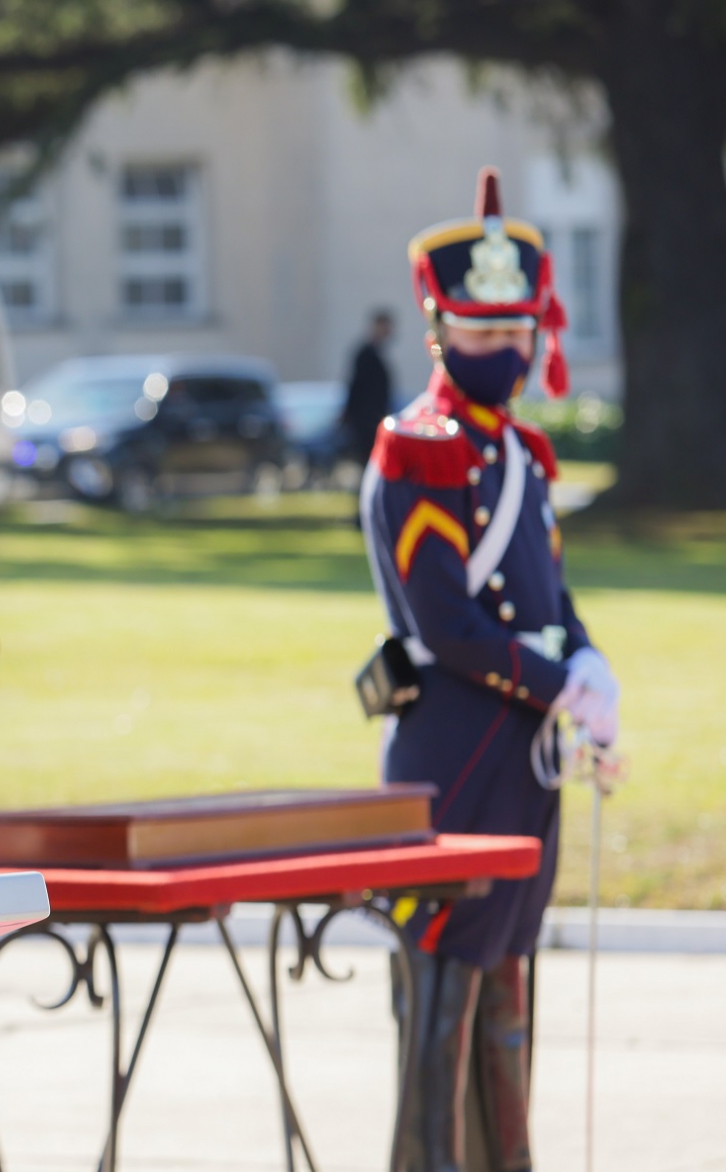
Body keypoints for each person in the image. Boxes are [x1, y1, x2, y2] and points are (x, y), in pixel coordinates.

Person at [359, 168, 619, 1172]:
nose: (504, 348)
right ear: (439, 331)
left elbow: (549, 593)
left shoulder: (523, 454)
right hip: (455, 750)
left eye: (517, 328)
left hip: (523, 755)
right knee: (442, 985)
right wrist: (560, 685)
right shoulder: (417, 451)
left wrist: (587, 659)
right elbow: (451, 625)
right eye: (481, 331)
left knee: (510, 974)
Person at [341, 308, 395, 466]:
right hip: (366, 421)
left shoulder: (377, 353)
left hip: (374, 418)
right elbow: (356, 386)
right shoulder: (366, 354)